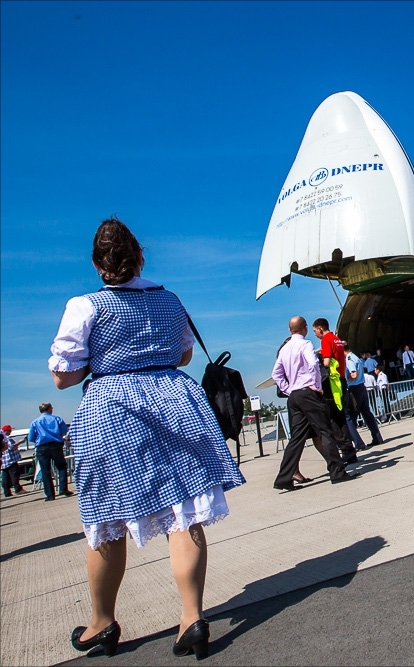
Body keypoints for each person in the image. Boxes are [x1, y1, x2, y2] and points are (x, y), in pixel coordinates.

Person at [50, 217, 245, 659]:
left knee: (107, 518)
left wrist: (105, 361)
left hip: (111, 407)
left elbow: (64, 376)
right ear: (140, 256)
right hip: (172, 398)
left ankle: (102, 622)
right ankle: (191, 617)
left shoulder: (85, 306)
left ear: (99, 265)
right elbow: (183, 353)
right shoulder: (169, 299)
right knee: (184, 512)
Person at [272, 316, 357, 491]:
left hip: (294, 396)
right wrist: (317, 386)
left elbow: (276, 374)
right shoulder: (306, 345)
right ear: (304, 328)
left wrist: (288, 389)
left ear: (290, 330)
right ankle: (337, 472)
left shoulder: (285, 349)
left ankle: (284, 477)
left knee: (297, 437)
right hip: (308, 393)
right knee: (325, 431)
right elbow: (313, 365)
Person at [311, 319, 366, 455]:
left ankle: (346, 448)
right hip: (341, 379)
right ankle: (350, 448)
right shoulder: (337, 339)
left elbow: (327, 362)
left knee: (334, 418)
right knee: (342, 416)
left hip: (333, 381)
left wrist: (319, 358)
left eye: (315, 331)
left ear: (320, 328)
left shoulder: (326, 339)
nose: (315, 334)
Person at [28, 402, 73, 501]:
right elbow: (64, 431)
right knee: (61, 467)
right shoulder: (57, 419)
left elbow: (31, 437)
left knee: (45, 471)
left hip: (42, 447)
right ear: (49, 409)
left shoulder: (35, 422)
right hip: (56, 445)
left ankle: (50, 495)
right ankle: (63, 489)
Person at [344, 343, 385, 447]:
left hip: (354, 388)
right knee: (367, 413)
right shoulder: (355, 357)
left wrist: (345, 377)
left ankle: (357, 443)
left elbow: (354, 374)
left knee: (351, 417)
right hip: (361, 387)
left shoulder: (349, 359)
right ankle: (377, 437)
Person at [1, 424, 26, 497]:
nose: (10, 431)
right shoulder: (7, 438)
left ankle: (7, 492)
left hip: (4, 462)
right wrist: (20, 442)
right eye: (9, 430)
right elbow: (11, 447)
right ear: (6, 431)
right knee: (14, 475)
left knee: (5, 477)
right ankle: (18, 489)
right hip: (11, 460)